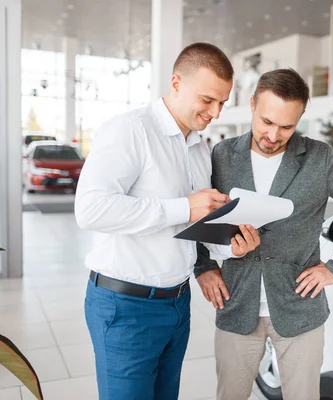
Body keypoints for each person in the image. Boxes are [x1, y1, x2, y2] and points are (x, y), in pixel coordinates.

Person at [74, 43, 260, 400]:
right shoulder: (130, 130)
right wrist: (183, 208)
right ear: (176, 83)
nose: (215, 112)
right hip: (125, 306)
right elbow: (91, 209)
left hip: (177, 303)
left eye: (222, 102)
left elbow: (195, 229)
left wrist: (232, 245)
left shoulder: (200, 147)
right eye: (207, 100)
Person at [194, 68, 333, 400]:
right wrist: (204, 267)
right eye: (267, 121)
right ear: (251, 104)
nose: (273, 135)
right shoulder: (221, 155)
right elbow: (200, 214)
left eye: (286, 126)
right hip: (236, 304)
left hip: (300, 310)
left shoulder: (320, 158)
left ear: (301, 117)